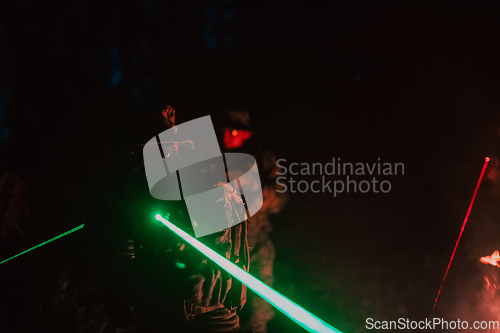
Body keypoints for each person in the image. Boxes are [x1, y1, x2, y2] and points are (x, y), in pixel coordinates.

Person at [73, 106, 252, 332]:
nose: (148, 160)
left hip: (210, 318)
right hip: (159, 314)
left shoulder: (207, 188)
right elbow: (98, 247)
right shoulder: (126, 190)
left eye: (162, 150)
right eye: (142, 152)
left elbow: (209, 263)